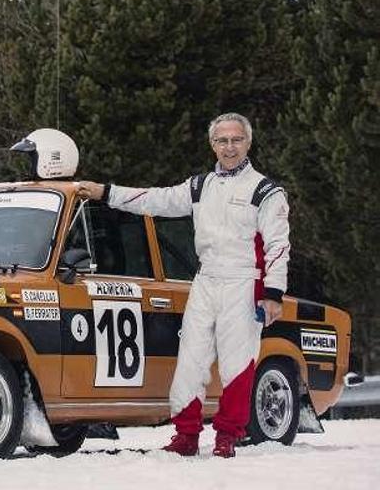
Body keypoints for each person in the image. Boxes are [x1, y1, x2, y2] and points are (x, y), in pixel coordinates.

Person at [77, 113, 290, 458]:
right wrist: (106, 192)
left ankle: (227, 437)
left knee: (238, 364)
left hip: (243, 281)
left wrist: (273, 294)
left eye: (236, 140)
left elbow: (278, 245)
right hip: (205, 280)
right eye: (222, 140)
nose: (229, 147)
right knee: (190, 360)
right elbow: (154, 200)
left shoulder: (266, 191)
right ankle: (186, 435)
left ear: (248, 143)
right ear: (212, 145)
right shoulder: (199, 186)